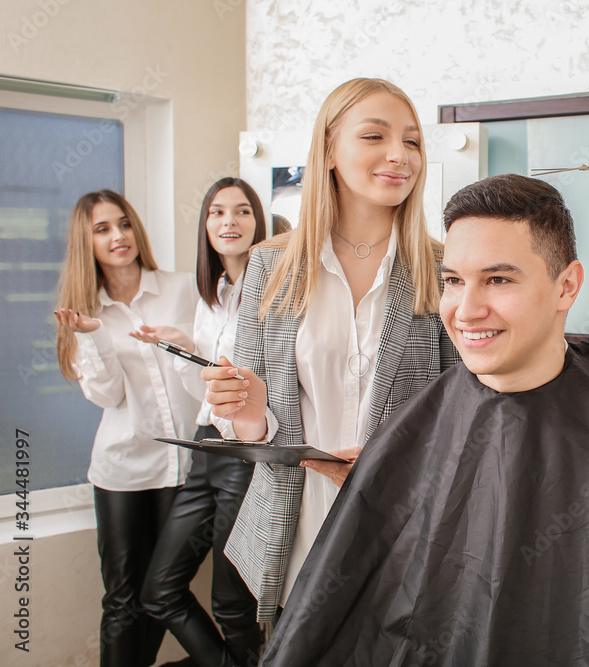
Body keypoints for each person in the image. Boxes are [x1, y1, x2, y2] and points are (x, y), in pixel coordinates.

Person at [258, 174, 589, 667]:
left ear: (566, 287)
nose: (466, 310)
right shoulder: (409, 433)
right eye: (453, 281)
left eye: (497, 280)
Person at [201, 78, 460, 624]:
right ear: (328, 151)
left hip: (406, 522)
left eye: (412, 142)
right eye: (375, 136)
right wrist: (247, 414)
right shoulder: (269, 268)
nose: (399, 155)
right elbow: (255, 426)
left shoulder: (444, 270)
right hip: (295, 523)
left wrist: (392, 465)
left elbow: (466, 411)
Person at [54, 190, 200, 667]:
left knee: (160, 594)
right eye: (102, 229)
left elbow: (208, 368)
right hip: (122, 471)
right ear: (86, 242)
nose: (118, 236)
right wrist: (92, 336)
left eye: (124, 224)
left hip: (184, 468)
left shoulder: (184, 288)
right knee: (122, 597)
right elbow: (106, 396)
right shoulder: (81, 312)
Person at [134, 178, 267, 666]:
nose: (228, 222)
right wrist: (187, 350)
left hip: (246, 454)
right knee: (160, 590)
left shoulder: (272, 289)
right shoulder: (210, 294)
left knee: (233, 607)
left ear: (259, 222)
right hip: (204, 445)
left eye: (241, 211)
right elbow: (203, 395)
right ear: (205, 226)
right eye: (216, 212)